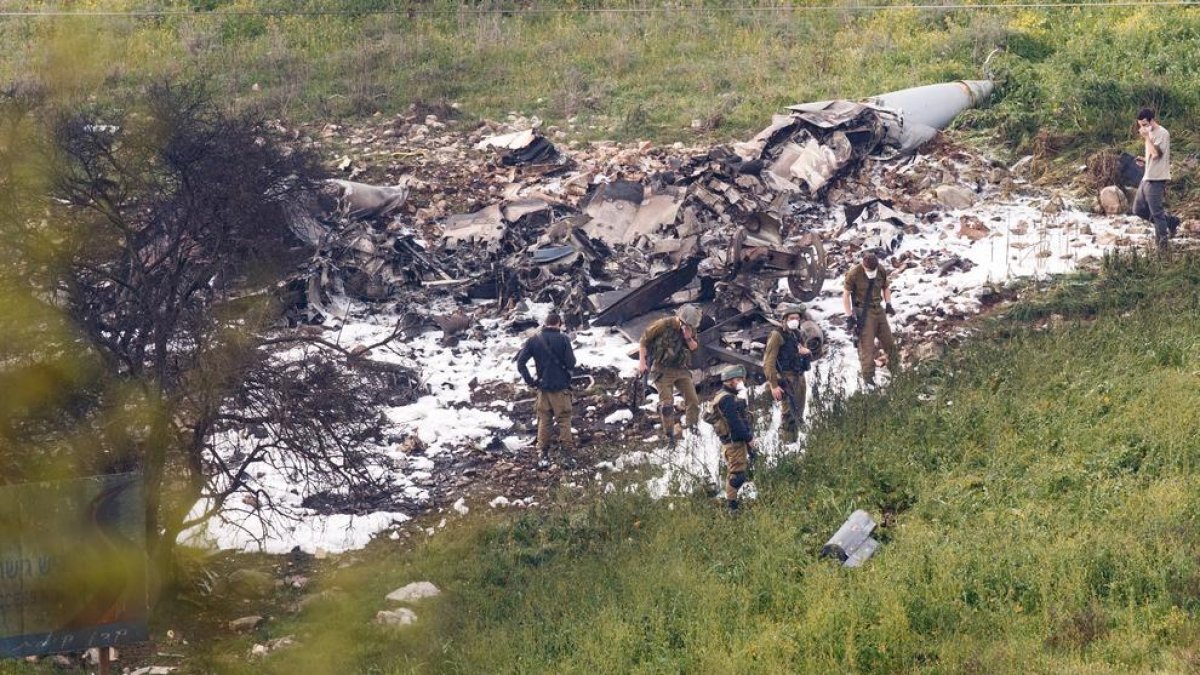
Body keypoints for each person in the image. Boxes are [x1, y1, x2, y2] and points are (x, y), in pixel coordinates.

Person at [516, 312, 576, 469]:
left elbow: (520, 363)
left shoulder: (534, 340)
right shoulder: (563, 339)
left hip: (543, 388)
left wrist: (531, 381)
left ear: (546, 322)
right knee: (564, 420)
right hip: (561, 388)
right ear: (559, 323)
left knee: (544, 421)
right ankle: (567, 456)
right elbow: (571, 363)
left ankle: (543, 454)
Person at [638, 304, 702, 444]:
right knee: (667, 405)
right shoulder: (663, 324)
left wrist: (688, 337)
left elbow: (694, 347)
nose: (687, 326)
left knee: (693, 400)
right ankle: (670, 435)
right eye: (685, 324)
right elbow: (644, 341)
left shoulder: (691, 328)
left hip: (681, 369)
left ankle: (692, 427)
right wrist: (642, 362)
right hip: (662, 369)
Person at [843, 250, 899, 386]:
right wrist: (849, 316)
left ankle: (897, 372)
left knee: (889, 342)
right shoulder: (854, 274)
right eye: (869, 269)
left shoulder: (880, 270)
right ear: (863, 265)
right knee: (866, 348)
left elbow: (885, 287)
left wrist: (889, 304)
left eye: (873, 269)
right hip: (864, 312)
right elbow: (845, 295)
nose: (871, 271)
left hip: (878, 309)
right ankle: (869, 380)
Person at [706, 365, 755, 511]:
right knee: (736, 476)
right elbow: (735, 423)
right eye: (738, 379)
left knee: (737, 472)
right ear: (729, 380)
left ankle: (733, 503)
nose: (741, 382)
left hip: (733, 442)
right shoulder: (726, 399)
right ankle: (732, 508)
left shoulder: (725, 395)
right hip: (734, 443)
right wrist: (748, 438)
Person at [763, 303, 812, 442]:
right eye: (791, 318)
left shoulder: (797, 334)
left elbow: (807, 357)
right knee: (788, 413)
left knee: (799, 411)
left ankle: (794, 441)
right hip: (786, 378)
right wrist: (773, 385)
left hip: (799, 376)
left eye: (797, 318)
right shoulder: (777, 335)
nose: (794, 320)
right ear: (784, 319)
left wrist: (806, 353)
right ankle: (786, 443)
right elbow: (768, 362)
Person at [1133, 107, 1172, 253]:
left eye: (1144, 124)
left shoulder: (1162, 133)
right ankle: (1170, 221)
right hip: (1147, 177)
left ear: (1151, 120)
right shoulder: (1150, 133)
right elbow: (1152, 156)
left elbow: (1156, 154)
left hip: (1156, 179)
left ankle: (1163, 249)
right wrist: (1144, 160)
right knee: (1137, 209)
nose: (1142, 128)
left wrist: (1146, 137)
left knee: (1157, 214)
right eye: (1140, 125)